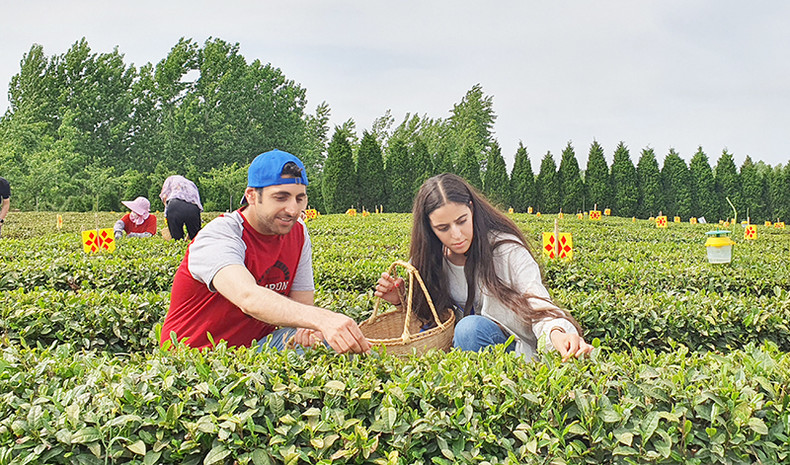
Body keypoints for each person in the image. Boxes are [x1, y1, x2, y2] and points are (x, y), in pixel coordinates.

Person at [160, 149, 370, 354]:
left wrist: (313, 330)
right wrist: (324, 319)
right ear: (252, 196)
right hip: (198, 356)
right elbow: (248, 297)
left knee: (342, 343)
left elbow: (303, 308)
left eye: (299, 198)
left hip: (256, 348)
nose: (293, 210)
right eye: (280, 197)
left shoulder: (298, 232)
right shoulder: (219, 235)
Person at [374, 173, 593, 361]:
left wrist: (557, 332)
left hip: (508, 353)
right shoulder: (426, 260)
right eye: (443, 228)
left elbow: (535, 298)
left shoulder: (506, 250)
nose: (456, 235)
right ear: (429, 228)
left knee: (470, 330)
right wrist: (402, 298)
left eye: (461, 221)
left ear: (471, 209)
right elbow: (428, 318)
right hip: (453, 354)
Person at [159, 175, 203, 240]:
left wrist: (167, 214)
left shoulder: (170, 180)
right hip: (193, 207)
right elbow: (196, 200)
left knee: (177, 239)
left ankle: (180, 246)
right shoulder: (190, 184)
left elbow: (164, 196)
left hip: (174, 206)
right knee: (196, 238)